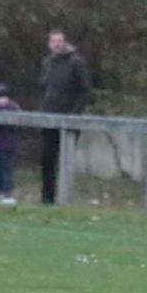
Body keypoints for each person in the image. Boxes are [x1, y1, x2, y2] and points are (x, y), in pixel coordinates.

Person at [39, 29, 91, 204]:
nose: (57, 44)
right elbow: (44, 88)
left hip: (69, 119)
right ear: (49, 44)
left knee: (65, 160)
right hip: (48, 118)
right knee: (47, 159)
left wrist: (74, 114)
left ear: (64, 42)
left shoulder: (76, 62)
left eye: (60, 41)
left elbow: (85, 91)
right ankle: (47, 199)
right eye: (54, 41)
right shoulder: (47, 63)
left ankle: (65, 199)